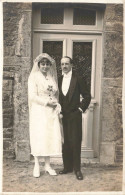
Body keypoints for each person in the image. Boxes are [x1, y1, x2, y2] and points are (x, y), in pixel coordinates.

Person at [28, 53, 63, 178]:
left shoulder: (51, 77)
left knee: (49, 136)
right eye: (43, 64)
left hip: (50, 112)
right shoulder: (34, 77)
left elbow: (54, 94)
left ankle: (47, 165)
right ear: (39, 65)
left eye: (47, 64)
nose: (45, 66)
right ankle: (37, 164)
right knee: (39, 136)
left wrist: (56, 104)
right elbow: (32, 96)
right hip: (39, 110)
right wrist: (47, 103)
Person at [58, 56, 91, 180]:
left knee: (75, 142)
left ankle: (77, 169)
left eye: (67, 64)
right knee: (65, 142)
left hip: (75, 115)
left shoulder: (78, 78)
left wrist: (80, 110)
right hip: (63, 115)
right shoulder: (59, 79)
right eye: (62, 64)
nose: (64, 66)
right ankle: (67, 167)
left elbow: (87, 96)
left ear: (71, 65)